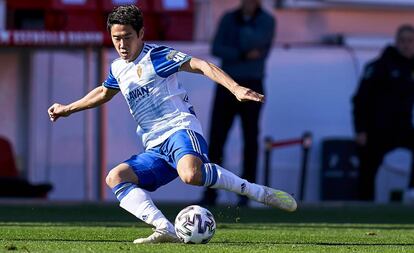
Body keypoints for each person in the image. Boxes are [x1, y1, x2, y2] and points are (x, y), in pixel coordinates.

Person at [48, 5, 296, 244]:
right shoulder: (118, 68)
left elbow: (200, 64)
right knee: (116, 177)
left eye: (127, 37)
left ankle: (258, 193)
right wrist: (67, 109)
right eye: (116, 38)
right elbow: (104, 92)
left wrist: (235, 88)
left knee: (190, 175)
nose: (122, 45)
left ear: (141, 34)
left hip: (180, 129)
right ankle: (164, 228)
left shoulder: (157, 56)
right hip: (154, 146)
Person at [200, 0, 275, 206]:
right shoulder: (228, 18)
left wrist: (236, 42)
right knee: (216, 138)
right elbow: (217, 48)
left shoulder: (266, 21)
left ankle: (247, 194)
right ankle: (210, 192)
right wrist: (242, 53)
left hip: (252, 84)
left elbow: (257, 46)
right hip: (227, 84)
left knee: (250, 140)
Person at [352, 24, 414, 202]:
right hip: (376, 130)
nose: (406, 45)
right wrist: (360, 130)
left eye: (410, 41)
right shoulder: (379, 67)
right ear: (396, 42)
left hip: (402, 128)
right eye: (403, 41)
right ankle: (364, 208)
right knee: (367, 171)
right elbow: (360, 100)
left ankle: (412, 190)